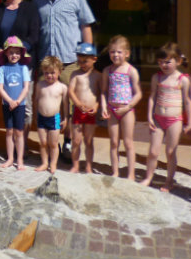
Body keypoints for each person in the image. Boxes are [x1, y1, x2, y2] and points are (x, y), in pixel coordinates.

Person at [33, 0, 95, 151]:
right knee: (48, 103)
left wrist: (88, 58)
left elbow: (86, 26)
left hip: (70, 61)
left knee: (70, 105)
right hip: (46, 62)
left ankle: (68, 143)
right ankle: (52, 144)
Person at [140, 42, 191, 191]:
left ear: (178, 61)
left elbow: (188, 102)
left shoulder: (182, 79)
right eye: (160, 62)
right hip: (158, 118)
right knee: (153, 151)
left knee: (170, 151)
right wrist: (149, 116)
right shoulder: (157, 77)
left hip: (174, 120)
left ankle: (169, 180)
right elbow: (152, 97)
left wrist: (190, 122)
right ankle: (148, 177)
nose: (164, 65)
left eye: (168, 61)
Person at [0, 0, 40, 123]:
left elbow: (34, 35)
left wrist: (17, 51)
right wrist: (0, 51)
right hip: (4, 63)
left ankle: (21, 143)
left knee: (25, 104)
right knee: (7, 101)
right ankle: (12, 141)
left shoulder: (30, 8)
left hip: (24, 63)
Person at [100, 35, 142, 179]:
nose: (115, 55)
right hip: (112, 110)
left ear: (127, 54)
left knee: (128, 143)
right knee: (113, 142)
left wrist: (127, 107)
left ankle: (131, 174)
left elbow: (138, 94)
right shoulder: (107, 71)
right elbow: (104, 91)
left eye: (119, 52)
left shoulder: (131, 71)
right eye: (112, 52)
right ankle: (115, 172)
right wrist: (104, 106)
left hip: (127, 110)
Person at [0, 36, 32, 170]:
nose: (14, 55)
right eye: (11, 52)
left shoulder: (23, 68)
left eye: (17, 52)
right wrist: (10, 101)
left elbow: (26, 87)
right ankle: (10, 158)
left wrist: (17, 101)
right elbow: (0, 88)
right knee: (9, 131)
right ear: (6, 53)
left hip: (20, 104)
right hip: (7, 104)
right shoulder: (2, 69)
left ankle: (20, 160)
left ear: (21, 54)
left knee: (19, 132)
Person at [68, 42, 101, 174]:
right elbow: (71, 91)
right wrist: (77, 103)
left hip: (91, 113)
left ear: (94, 59)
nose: (82, 64)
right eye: (80, 61)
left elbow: (101, 94)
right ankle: (75, 165)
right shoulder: (75, 74)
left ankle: (88, 166)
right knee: (76, 140)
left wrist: (97, 106)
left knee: (88, 140)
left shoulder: (98, 76)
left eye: (85, 61)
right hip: (78, 111)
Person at [34, 56, 67, 174]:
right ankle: (44, 163)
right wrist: (35, 115)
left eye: (52, 73)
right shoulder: (40, 85)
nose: (49, 75)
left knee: (53, 143)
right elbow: (36, 100)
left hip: (54, 118)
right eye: (46, 73)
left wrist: (66, 118)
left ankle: (53, 164)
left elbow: (65, 105)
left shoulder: (62, 87)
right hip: (41, 118)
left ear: (59, 71)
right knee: (43, 142)